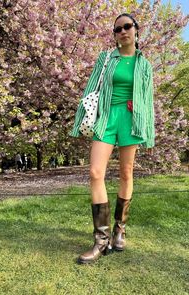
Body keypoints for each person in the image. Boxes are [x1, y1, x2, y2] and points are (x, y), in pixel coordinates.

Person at [70, 13, 155, 264]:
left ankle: (120, 229)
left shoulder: (144, 65)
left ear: (136, 30)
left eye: (127, 26)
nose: (122, 32)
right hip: (106, 117)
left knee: (126, 174)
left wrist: (147, 134)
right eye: (117, 29)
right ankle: (101, 239)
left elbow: (147, 102)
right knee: (96, 172)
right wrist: (83, 120)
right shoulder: (105, 58)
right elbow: (90, 90)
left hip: (131, 119)